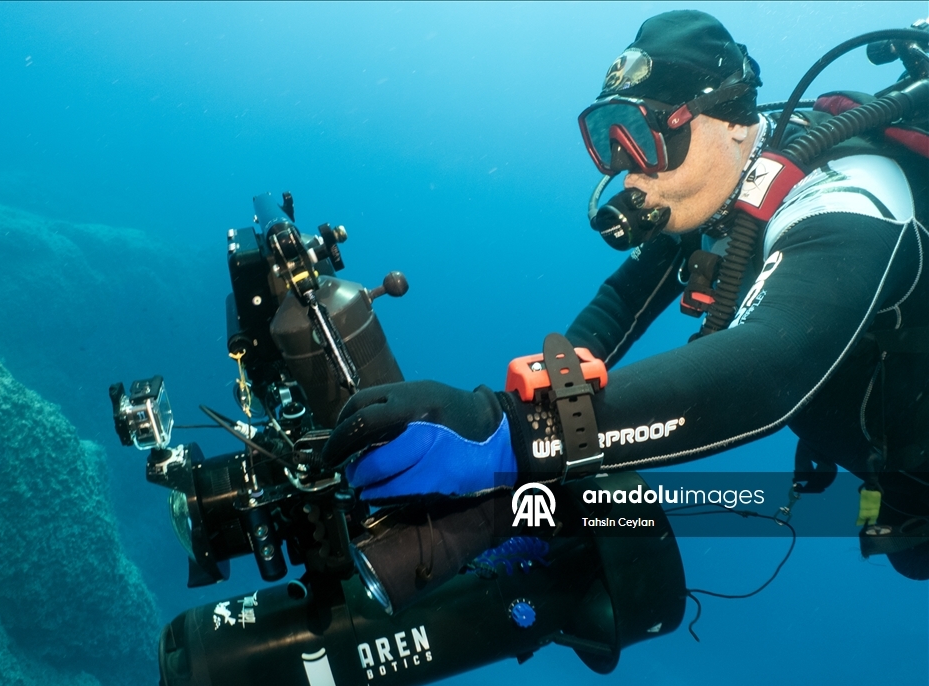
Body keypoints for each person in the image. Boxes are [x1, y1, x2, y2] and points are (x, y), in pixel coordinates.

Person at [323, 11, 929, 580]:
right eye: (609, 140)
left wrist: (513, 436)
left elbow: (772, 365)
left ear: (733, 122)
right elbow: (613, 313)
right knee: (898, 543)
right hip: (880, 464)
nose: (628, 170)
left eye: (644, 136)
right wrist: (514, 444)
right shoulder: (715, 197)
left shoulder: (852, 193)